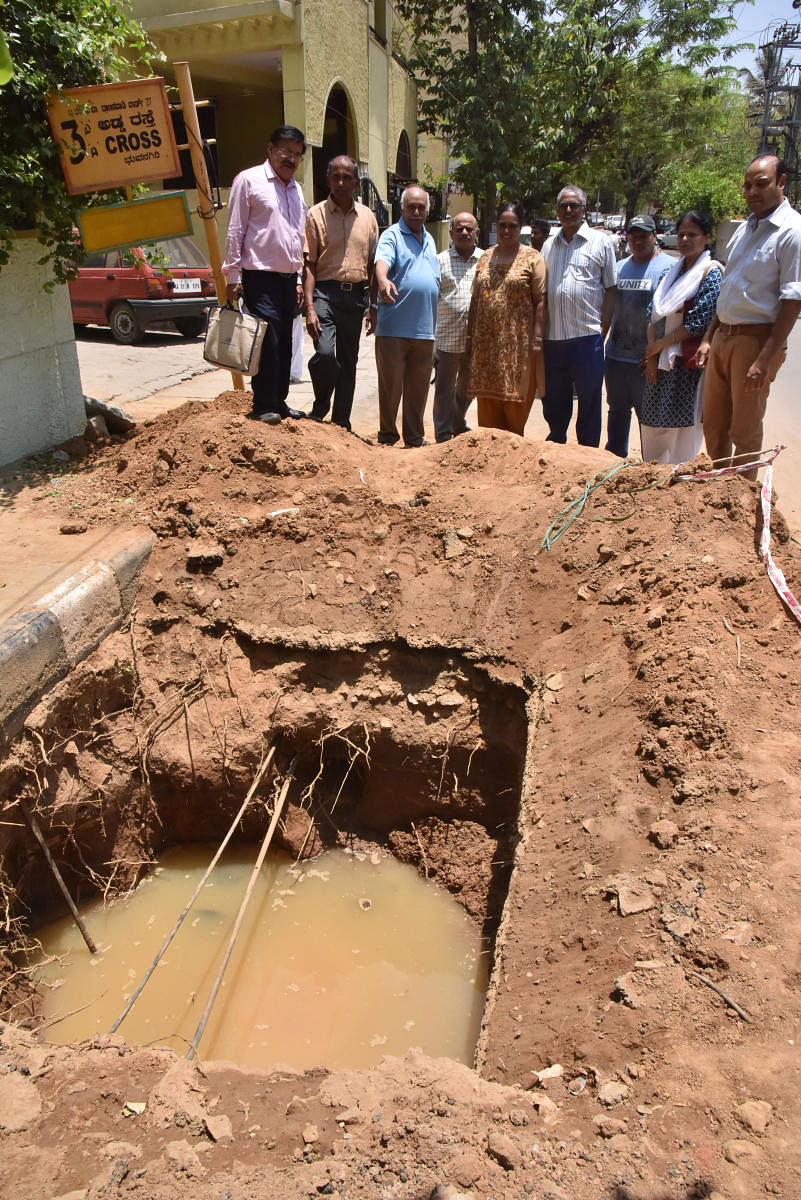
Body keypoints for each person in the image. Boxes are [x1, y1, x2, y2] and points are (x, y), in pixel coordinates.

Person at [697, 153, 801, 475]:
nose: (751, 192)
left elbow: (792, 300)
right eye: (747, 186)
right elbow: (728, 287)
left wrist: (766, 358)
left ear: (781, 182)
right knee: (713, 424)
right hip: (723, 338)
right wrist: (708, 337)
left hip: (754, 342)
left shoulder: (792, 231)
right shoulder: (745, 229)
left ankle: (739, 501)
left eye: (761, 184)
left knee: (743, 431)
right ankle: (717, 491)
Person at [222, 125, 308, 424]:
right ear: (270, 149)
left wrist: (298, 279)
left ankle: (279, 402)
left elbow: (298, 237)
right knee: (266, 341)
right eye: (286, 151)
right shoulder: (249, 181)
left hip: (287, 280)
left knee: (285, 342)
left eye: (297, 154)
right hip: (259, 276)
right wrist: (232, 276)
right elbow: (235, 229)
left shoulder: (296, 190)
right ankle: (262, 404)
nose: (291, 159)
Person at [639, 210, 722, 464]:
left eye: (693, 234)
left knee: (682, 432)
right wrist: (652, 357)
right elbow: (652, 315)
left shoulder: (711, 273)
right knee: (653, 427)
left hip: (686, 365)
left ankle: (678, 483)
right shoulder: (669, 274)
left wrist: (657, 348)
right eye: (682, 233)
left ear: (706, 237)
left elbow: (697, 323)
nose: (685, 239)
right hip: (659, 363)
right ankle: (653, 477)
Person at [303, 155, 379, 430]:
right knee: (324, 354)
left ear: (356, 182)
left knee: (349, 362)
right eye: (336, 176)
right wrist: (309, 307)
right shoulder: (315, 215)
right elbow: (309, 265)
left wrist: (374, 306)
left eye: (347, 177)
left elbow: (372, 265)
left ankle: (341, 422)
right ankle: (321, 402)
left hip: (356, 297)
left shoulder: (368, 218)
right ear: (327, 180)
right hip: (325, 292)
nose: (341, 182)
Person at [541, 185, 617, 446]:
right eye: (564, 206)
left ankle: (587, 455)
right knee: (555, 401)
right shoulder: (549, 246)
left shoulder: (601, 243)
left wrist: (602, 330)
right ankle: (557, 447)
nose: (569, 210)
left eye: (574, 205)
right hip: (555, 338)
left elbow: (611, 289)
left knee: (589, 401)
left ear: (584, 209)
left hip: (587, 337)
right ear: (558, 211)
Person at [466, 201, 546, 436]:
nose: (506, 231)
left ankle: (511, 470)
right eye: (502, 225)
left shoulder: (533, 259)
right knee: (488, 428)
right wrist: (469, 336)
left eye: (512, 226)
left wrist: (538, 339)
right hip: (485, 351)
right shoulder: (485, 258)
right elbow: (475, 300)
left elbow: (541, 301)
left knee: (513, 424)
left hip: (518, 350)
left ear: (521, 227)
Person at [371, 186, 440, 447]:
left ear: (427, 211)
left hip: (425, 330)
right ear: (402, 208)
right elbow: (382, 262)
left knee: (419, 389)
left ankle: (414, 437)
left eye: (421, 207)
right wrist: (382, 280)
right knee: (391, 388)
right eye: (411, 207)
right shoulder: (392, 236)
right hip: (394, 329)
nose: (416, 212)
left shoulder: (430, 239)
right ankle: (387, 436)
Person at [604, 215, 674, 457]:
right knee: (617, 412)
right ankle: (615, 460)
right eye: (633, 235)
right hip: (616, 357)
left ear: (654, 236)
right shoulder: (620, 267)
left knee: (649, 419)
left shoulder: (667, 267)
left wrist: (656, 355)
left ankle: (651, 465)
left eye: (643, 235)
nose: (638, 240)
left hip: (646, 361)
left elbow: (667, 316)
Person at [433, 211, 482, 443]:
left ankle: (457, 422)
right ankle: (443, 435)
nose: (464, 232)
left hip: (476, 340)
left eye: (469, 229)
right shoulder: (439, 260)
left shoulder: (487, 260)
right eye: (459, 229)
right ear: (451, 232)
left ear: (477, 233)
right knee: (443, 391)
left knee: (467, 389)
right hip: (446, 338)